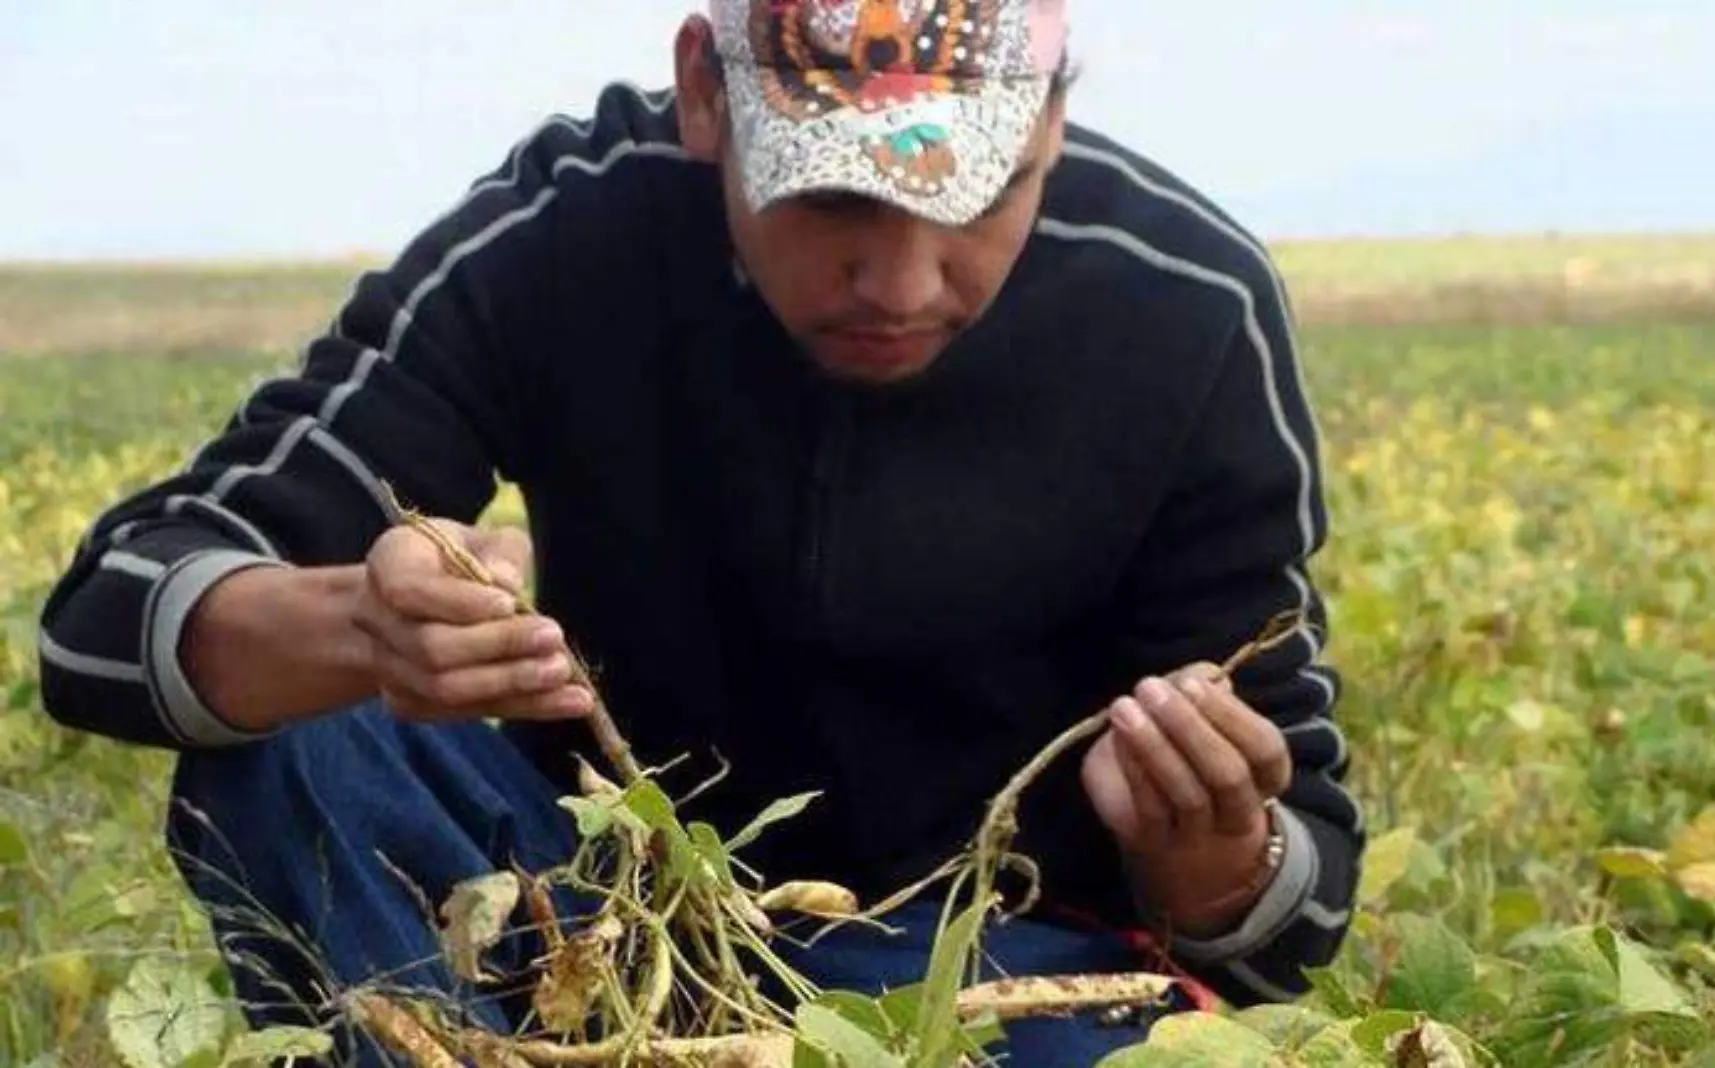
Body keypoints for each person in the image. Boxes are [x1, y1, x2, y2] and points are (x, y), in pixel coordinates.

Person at [36, 1, 1364, 1063]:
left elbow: (1293, 911)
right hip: (588, 924)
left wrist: (1210, 858)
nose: (900, 286)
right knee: (290, 727)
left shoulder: (1186, 307)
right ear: (704, 96)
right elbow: (109, 619)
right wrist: (361, 632)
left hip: (983, 982)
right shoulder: (575, 228)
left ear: (1055, 132)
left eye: (978, 199)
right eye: (833, 199)